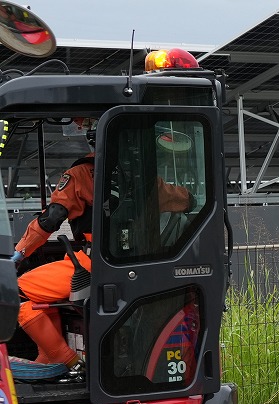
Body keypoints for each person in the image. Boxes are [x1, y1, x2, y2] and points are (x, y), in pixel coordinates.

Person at [13, 117, 191, 368]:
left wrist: (19, 254)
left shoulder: (82, 174)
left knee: (17, 292)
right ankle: (48, 356)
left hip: (91, 265)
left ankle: (68, 362)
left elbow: (51, 218)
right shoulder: (146, 180)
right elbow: (187, 200)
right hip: (138, 267)